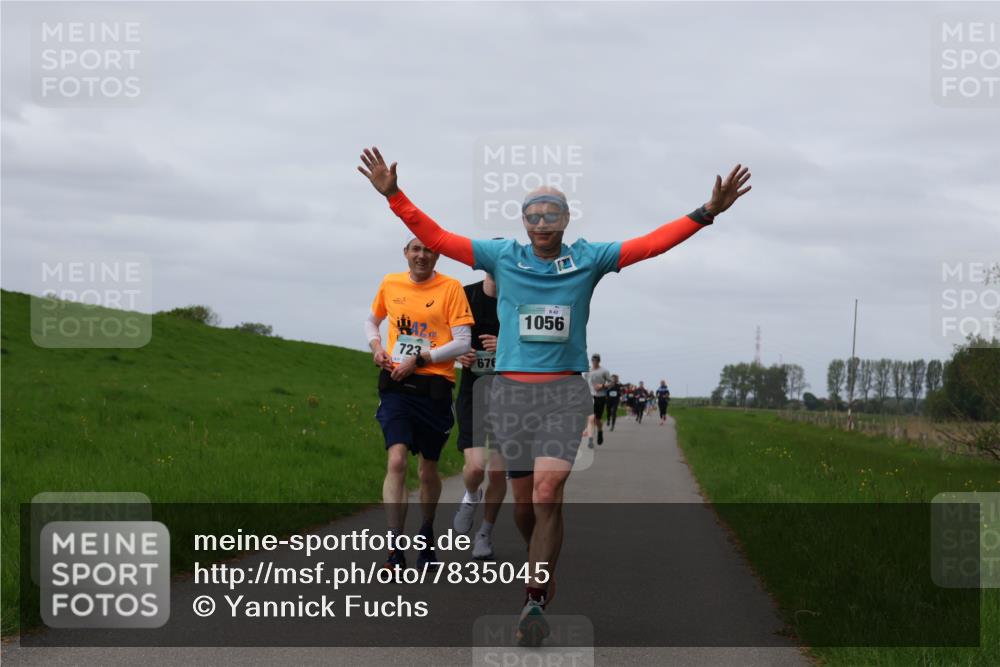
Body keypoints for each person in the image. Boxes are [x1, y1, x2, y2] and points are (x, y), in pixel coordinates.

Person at [358, 146, 751, 646]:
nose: (542, 222)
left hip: (564, 392)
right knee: (525, 507)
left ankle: (535, 598)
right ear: (523, 222)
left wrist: (707, 211)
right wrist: (394, 195)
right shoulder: (503, 256)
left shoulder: (589, 258)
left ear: (566, 220)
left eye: (552, 214)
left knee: (547, 493)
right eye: (533, 215)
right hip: (512, 395)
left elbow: (651, 244)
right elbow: (437, 238)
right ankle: (540, 562)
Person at [364, 237, 474, 570]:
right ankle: (394, 548)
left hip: (434, 388)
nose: (422, 255)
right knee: (396, 461)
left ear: (437, 256)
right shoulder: (390, 282)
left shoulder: (451, 288)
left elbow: (463, 343)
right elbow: (371, 320)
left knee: (428, 469)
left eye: (428, 250)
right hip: (396, 383)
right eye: (416, 249)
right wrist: (376, 347)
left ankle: (426, 533)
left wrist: (421, 359)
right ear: (406, 253)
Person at [452, 270, 507, 560]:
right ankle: (472, 495)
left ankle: (485, 534)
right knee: (475, 469)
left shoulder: (519, 295)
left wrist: (505, 347)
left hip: (509, 396)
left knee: (498, 472)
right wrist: (458, 354)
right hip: (473, 392)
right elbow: (445, 334)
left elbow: (536, 343)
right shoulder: (465, 294)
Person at [585, 353, 611, 448]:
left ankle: (600, 431)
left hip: (600, 397)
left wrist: (602, 385)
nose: (594, 362)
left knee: (597, 420)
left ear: (599, 361)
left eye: (596, 360)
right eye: (593, 360)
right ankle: (590, 440)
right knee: (591, 418)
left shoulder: (604, 371)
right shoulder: (587, 371)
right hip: (590, 396)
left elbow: (611, 383)